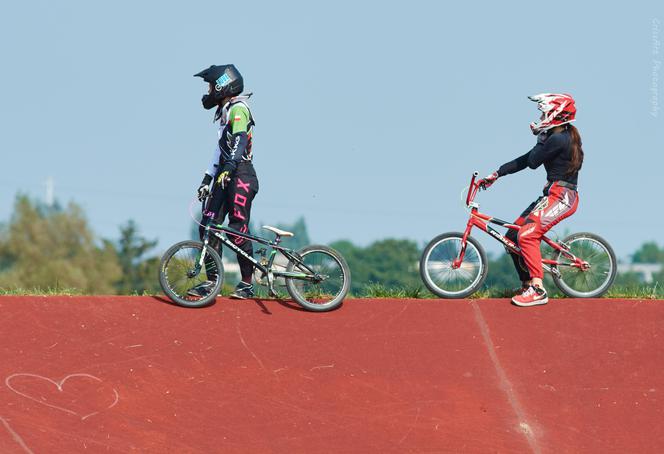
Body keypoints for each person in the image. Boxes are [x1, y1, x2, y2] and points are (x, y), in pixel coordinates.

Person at [477, 93, 583, 307]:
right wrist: (497, 173)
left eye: (544, 111)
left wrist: (540, 137)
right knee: (512, 236)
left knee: (526, 236)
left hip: (562, 197)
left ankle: (538, 289)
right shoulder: (559, 136)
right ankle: (526, 284)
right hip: (552, 194)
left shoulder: (559, 139)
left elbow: (534, 161)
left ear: (556, 113)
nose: (541, 116)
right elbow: (525, 160)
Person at [189, 64, 259, 300]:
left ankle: (247, 284)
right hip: (224, 173)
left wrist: (229, 168)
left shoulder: (239, 109)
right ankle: (211, 282)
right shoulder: (224, 112)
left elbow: (239, 141)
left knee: (238, 230)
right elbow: (219, 152)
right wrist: (207, 179)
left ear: (222, 86)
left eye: (210, 86)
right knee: (207, 225)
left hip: (241, 174)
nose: (208, 91)